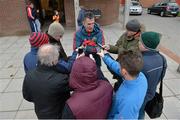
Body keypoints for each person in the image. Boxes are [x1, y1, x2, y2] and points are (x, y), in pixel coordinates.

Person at [22, 44, 71, 119]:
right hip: (59, 114)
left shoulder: (29, 75)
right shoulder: (60, 79)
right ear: (54, 61)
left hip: (40, 113)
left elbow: (27, 96)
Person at [97, 50, 147, 119]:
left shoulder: (128, 102)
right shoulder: (141, 76)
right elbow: (118, 68)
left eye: (120, 65)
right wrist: (105, 57)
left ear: (124, 72)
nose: (119, 66)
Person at [138, 32, 167, 119]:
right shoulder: (162, 58)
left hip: (140, 95)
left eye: (140, 42)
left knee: (138, 111)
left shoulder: (141, 62)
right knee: (142, 110)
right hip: (151, 92)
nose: (138, 43)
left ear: (146, 46)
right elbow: (162, 76)